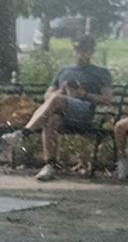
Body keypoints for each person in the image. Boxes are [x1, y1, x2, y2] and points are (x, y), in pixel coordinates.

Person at [28, 36, 114, 181]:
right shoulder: (64, 71)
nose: (81, 53)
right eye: (78, 50)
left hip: (84, 112)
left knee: (57, 100)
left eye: (85, 50)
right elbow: (47, 96)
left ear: (91, 51)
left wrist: (84, 94)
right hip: (63, 111)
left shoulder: (101, 72)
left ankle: (25, 132)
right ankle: (50, 164)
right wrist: (61, 90)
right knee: (52, 120)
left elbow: (108, 99)